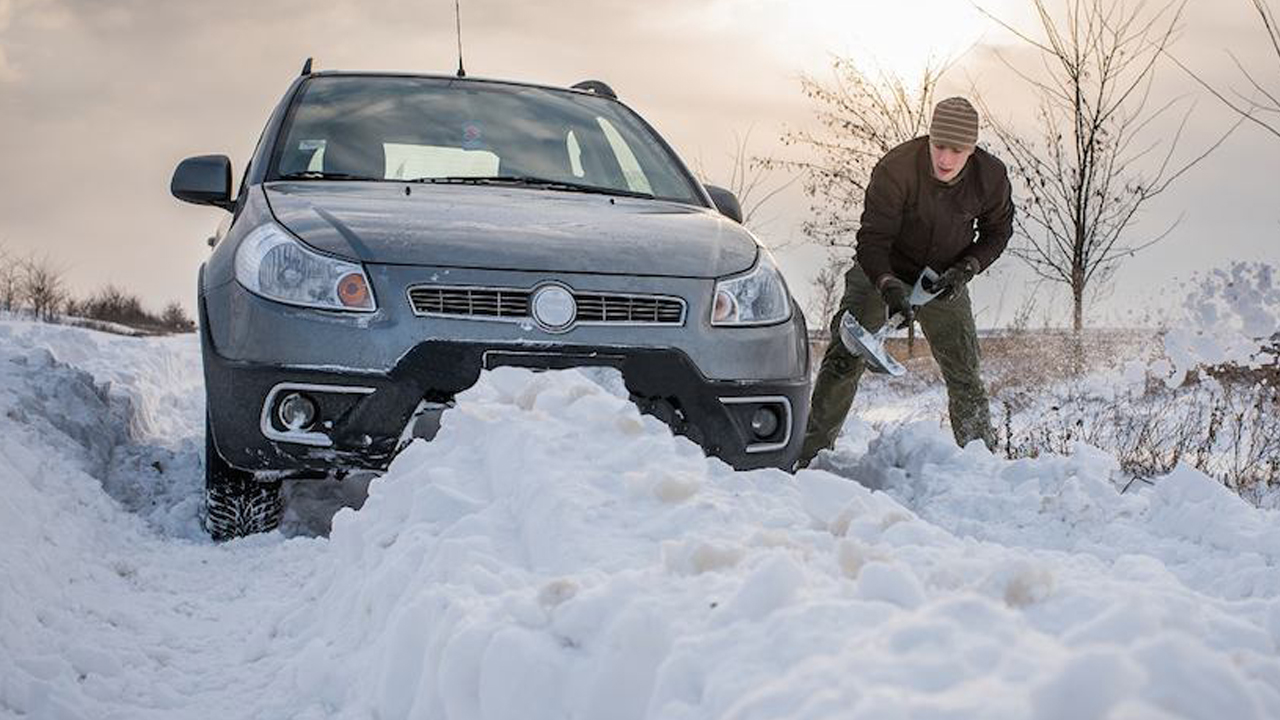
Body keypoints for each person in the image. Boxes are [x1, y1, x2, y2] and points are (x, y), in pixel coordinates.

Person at [797, 96, 1014, 468]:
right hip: (882, 269)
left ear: (972, 149)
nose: (945, 159)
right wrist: (887, 285)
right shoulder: (896, 168)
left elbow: (998, 232)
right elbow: (872, 240)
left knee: (965, 371)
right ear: (929, 138)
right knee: (844, 358)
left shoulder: (990, 177)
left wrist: (968, 268)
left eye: (957, 150)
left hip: (944, 277)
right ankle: (808, 458)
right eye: (939, 146)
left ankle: (982, 468)